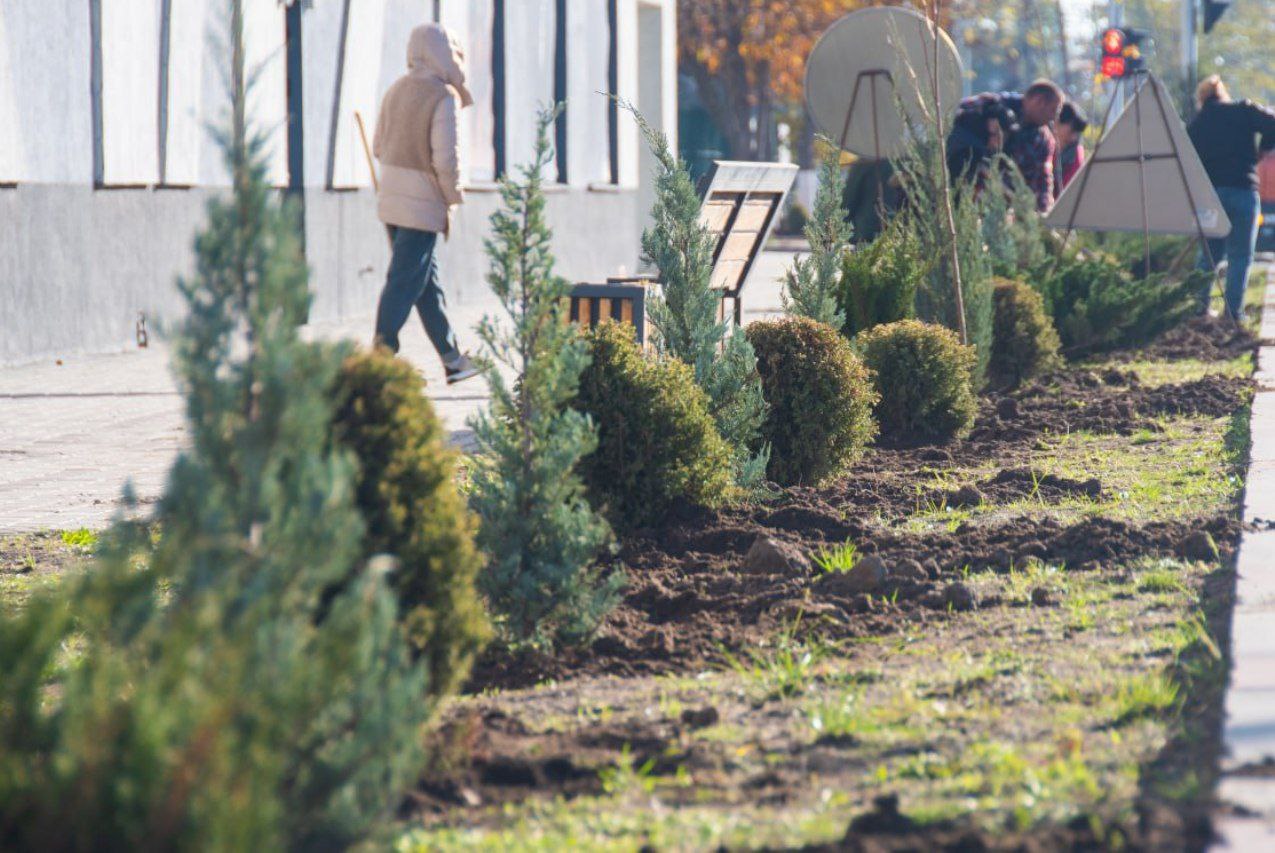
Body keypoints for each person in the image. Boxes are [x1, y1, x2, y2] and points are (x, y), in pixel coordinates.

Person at [372, 23, 480, 384]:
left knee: (423, 282)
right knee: (405, 281)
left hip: (390, 199)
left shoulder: (394, 91)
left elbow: (377, 146)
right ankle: (380, 358)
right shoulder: (442, 96)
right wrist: (453, 196)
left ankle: (452, 359)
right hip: (422, 204)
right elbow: (446, 160)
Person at [1187, 75, 1275, 320]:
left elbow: (1188, 159)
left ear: (1201, 99)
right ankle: (1233, 314)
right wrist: (1264, 149)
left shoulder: (1198, 123)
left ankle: (1199, 309)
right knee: (1240, 256)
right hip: (1243, 190)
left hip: (1211, 196)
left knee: (1208, 255)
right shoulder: (1243, 110)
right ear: (1223, 92)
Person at [947, 80, 1064, 211]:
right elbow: (949, 116)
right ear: (1039, 101)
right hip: (956, 191)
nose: (1054, 118)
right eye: (1054, 110)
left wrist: (1042, 215)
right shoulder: (988, 104)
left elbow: (1042, 182)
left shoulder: (1043, 140)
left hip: (999, 211)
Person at [1053, 102, 1088, 196]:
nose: (1074, 138)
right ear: (1056, 122)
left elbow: (1071, 190)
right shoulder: (1041, 143)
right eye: (1071, 131)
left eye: (1077, 133)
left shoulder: (1075, 154)